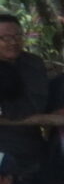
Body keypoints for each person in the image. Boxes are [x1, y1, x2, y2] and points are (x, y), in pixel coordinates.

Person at [0, 13, 48, 166]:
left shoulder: (34, 64)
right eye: (5, 38)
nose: (13, 42)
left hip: (29, 140)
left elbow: (37, 104)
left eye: (17, 36)